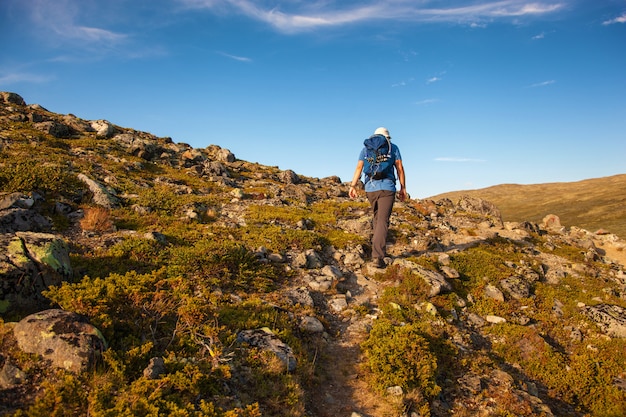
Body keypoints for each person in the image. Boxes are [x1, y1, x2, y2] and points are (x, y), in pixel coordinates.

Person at [349, 127, 407, 268]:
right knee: (382, 221)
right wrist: (403, 187)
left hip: (370, 188)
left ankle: (378, 251)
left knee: (377, 219)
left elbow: (359, 168)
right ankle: (378, 257)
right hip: (387, 188)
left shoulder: (366, 149)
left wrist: (352, 186)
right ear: (388, 138)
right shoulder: (392, 148)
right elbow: (399, 167)